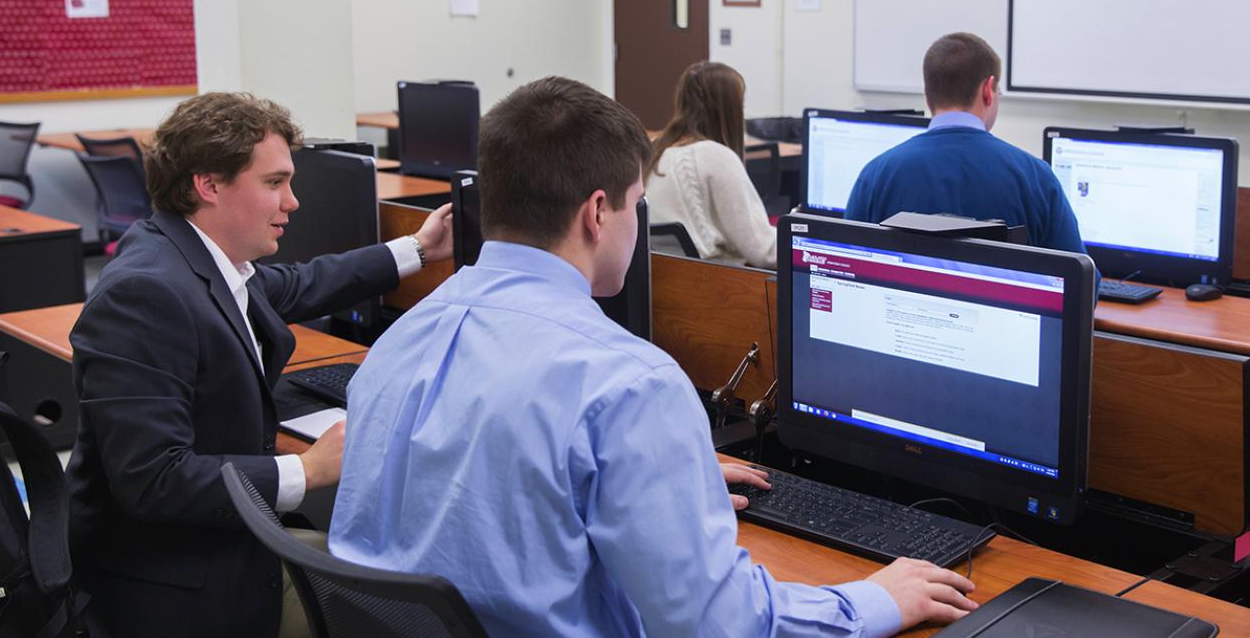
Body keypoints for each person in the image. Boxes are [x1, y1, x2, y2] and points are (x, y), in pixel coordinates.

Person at [330, 76, 977, 637]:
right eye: (638, 204)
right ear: (597, 214)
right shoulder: (628, 384)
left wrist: (660, 479)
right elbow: (723, 627)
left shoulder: (401, 340)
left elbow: (470, 491)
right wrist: (873, 600)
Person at [66, 92, 452, 638]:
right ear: (209, 184)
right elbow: (154, 481)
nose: (292, 202)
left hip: (206, 546)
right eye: (274, 183)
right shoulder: (145, 296)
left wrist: (417, 247)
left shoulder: (187, 254)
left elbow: (300, 283)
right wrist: (309, 471)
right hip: (171, 589)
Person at [844, 33, 1088, 254]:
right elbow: (1083, 286)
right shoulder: (1036, 178)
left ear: (928, 95)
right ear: (987, 91)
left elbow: (844, 262)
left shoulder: (876, 175)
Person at [644, 61, 778, 267]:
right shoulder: (716, 157)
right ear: (729, 110)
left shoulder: (652, 150)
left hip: (663, 283)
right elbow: (764, 252)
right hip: (715, 286)